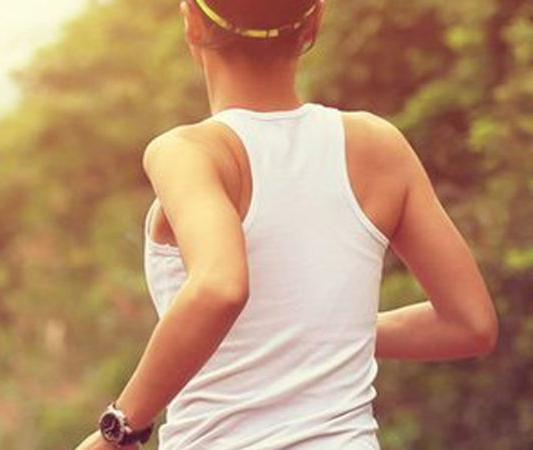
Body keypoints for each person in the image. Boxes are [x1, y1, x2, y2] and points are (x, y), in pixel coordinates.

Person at [74, 0, 499, 448]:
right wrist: (321, 331)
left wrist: (118, 429)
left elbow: (219, 286)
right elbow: (470, 324)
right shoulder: (379, 145)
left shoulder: (190, 153)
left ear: (191, 22)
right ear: (314, 22)